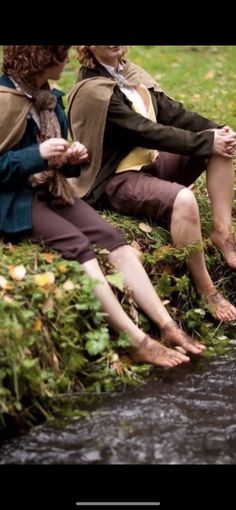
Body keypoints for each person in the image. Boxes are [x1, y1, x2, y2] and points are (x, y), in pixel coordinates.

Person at [0, 45, 207, 371]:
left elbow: (62, 169)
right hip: (16, 199)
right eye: (61, 55)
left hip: (51, 188)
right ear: (41, 58)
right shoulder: (6, 100)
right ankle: (137, 342)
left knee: (112, 238)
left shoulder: (49, 98)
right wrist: (36, 156)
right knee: (80, 246)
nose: (67, 60)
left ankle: (168, 327)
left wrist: (70, 159)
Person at [68, 45, 236, 323]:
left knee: (218, 145)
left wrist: (218, 130)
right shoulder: (93, 91)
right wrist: (205, 141)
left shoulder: (130, 73)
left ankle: (223, 234)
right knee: (184, 198)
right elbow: (146, 132)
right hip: (116, 177)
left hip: (151, 164)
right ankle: (207, 290)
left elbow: (173, 114)